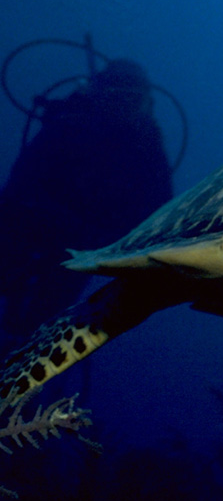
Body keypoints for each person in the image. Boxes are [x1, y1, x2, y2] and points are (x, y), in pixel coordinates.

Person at [0, 57, 174, 347]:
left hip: (77, 253)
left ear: (145, 105)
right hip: (27, 232)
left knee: (35, 333)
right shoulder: (69, 125)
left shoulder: (146, 144)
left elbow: (160, 216)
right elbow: (19, 188)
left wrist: (101, 241)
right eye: (116, 98)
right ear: (99, 96)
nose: (123, 108)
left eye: (132, 100)